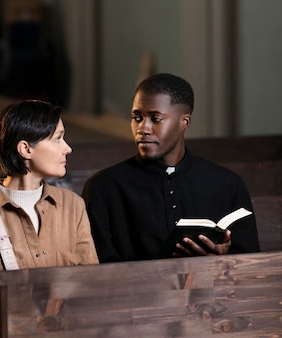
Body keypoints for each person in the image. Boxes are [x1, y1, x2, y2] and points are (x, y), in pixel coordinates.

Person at [82, 73, 260, 263]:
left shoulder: (228, 185)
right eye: (137, 117)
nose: (143, 128)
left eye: (156, 119)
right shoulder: (103, 187)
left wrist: (220, 259)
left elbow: (248, 263)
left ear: (184, 122)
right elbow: (96, 267)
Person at [0, 99, 98, 337]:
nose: (68, 148)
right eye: (57, 138)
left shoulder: (73, 205)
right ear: (26, 149)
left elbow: (91, 286)